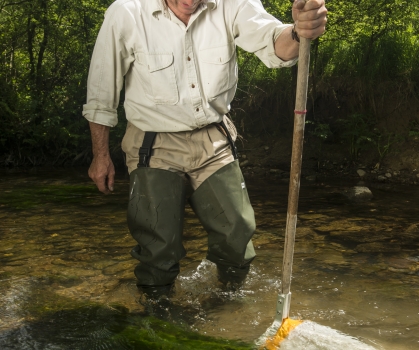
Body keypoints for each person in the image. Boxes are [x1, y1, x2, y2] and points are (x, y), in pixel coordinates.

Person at [83, 0, 327, 293]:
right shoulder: (126, 12)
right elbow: (101, 93)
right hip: (153, 144)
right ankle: (154, 318)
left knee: (237, 236)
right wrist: (101, 156)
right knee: (159, 250)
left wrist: (300, 32)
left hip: (213, 140)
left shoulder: (232, 3)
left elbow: (276, 44)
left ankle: (227, 306)